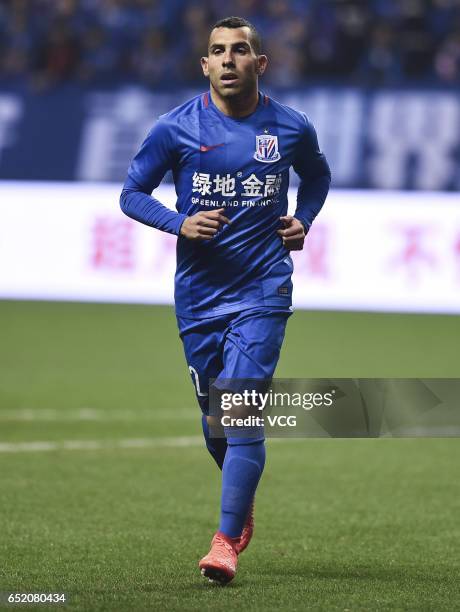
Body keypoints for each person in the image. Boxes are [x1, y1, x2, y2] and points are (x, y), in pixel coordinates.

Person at [120, 16, 331, 585]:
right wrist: (179, 222)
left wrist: (302, 221)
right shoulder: (175, 128)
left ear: (260, 64)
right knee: (217, 425)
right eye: (218, 51)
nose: (230, 59)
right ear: (205, 66)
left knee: (239, 410)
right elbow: (131, 194)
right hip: (198, 297)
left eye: (241, 50)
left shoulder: (290, 127)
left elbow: (316, 178)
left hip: (263, 287)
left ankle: (223, 541)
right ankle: (242, 505)